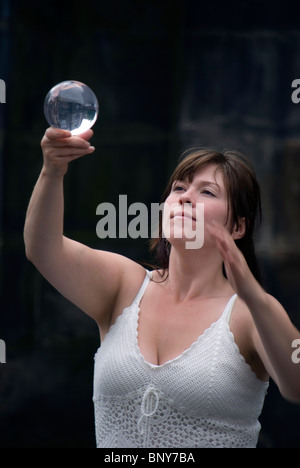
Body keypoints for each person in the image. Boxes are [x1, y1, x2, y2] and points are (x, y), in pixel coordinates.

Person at [24, 127, 300, 448]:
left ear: (238, 226)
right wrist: (52, 170)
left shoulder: (249, 313)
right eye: (179, 187)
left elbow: (295, 385)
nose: (184, 196)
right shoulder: (125, 285)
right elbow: (42, 248)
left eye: (207, 192)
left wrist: (254, 297)